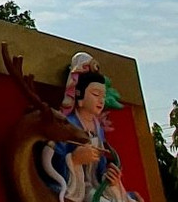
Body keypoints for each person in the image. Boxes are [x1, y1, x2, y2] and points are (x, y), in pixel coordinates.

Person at [42, 68, 142, 202]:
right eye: (96, 94)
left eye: (103, 96)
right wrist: (74, 160)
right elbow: (54, 162)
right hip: (78, 187)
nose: (101, 100)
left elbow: (99, 169)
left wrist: (110, 177)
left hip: (95, 185)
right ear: (80, 96)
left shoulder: (98, 128)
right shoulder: (68, 124)